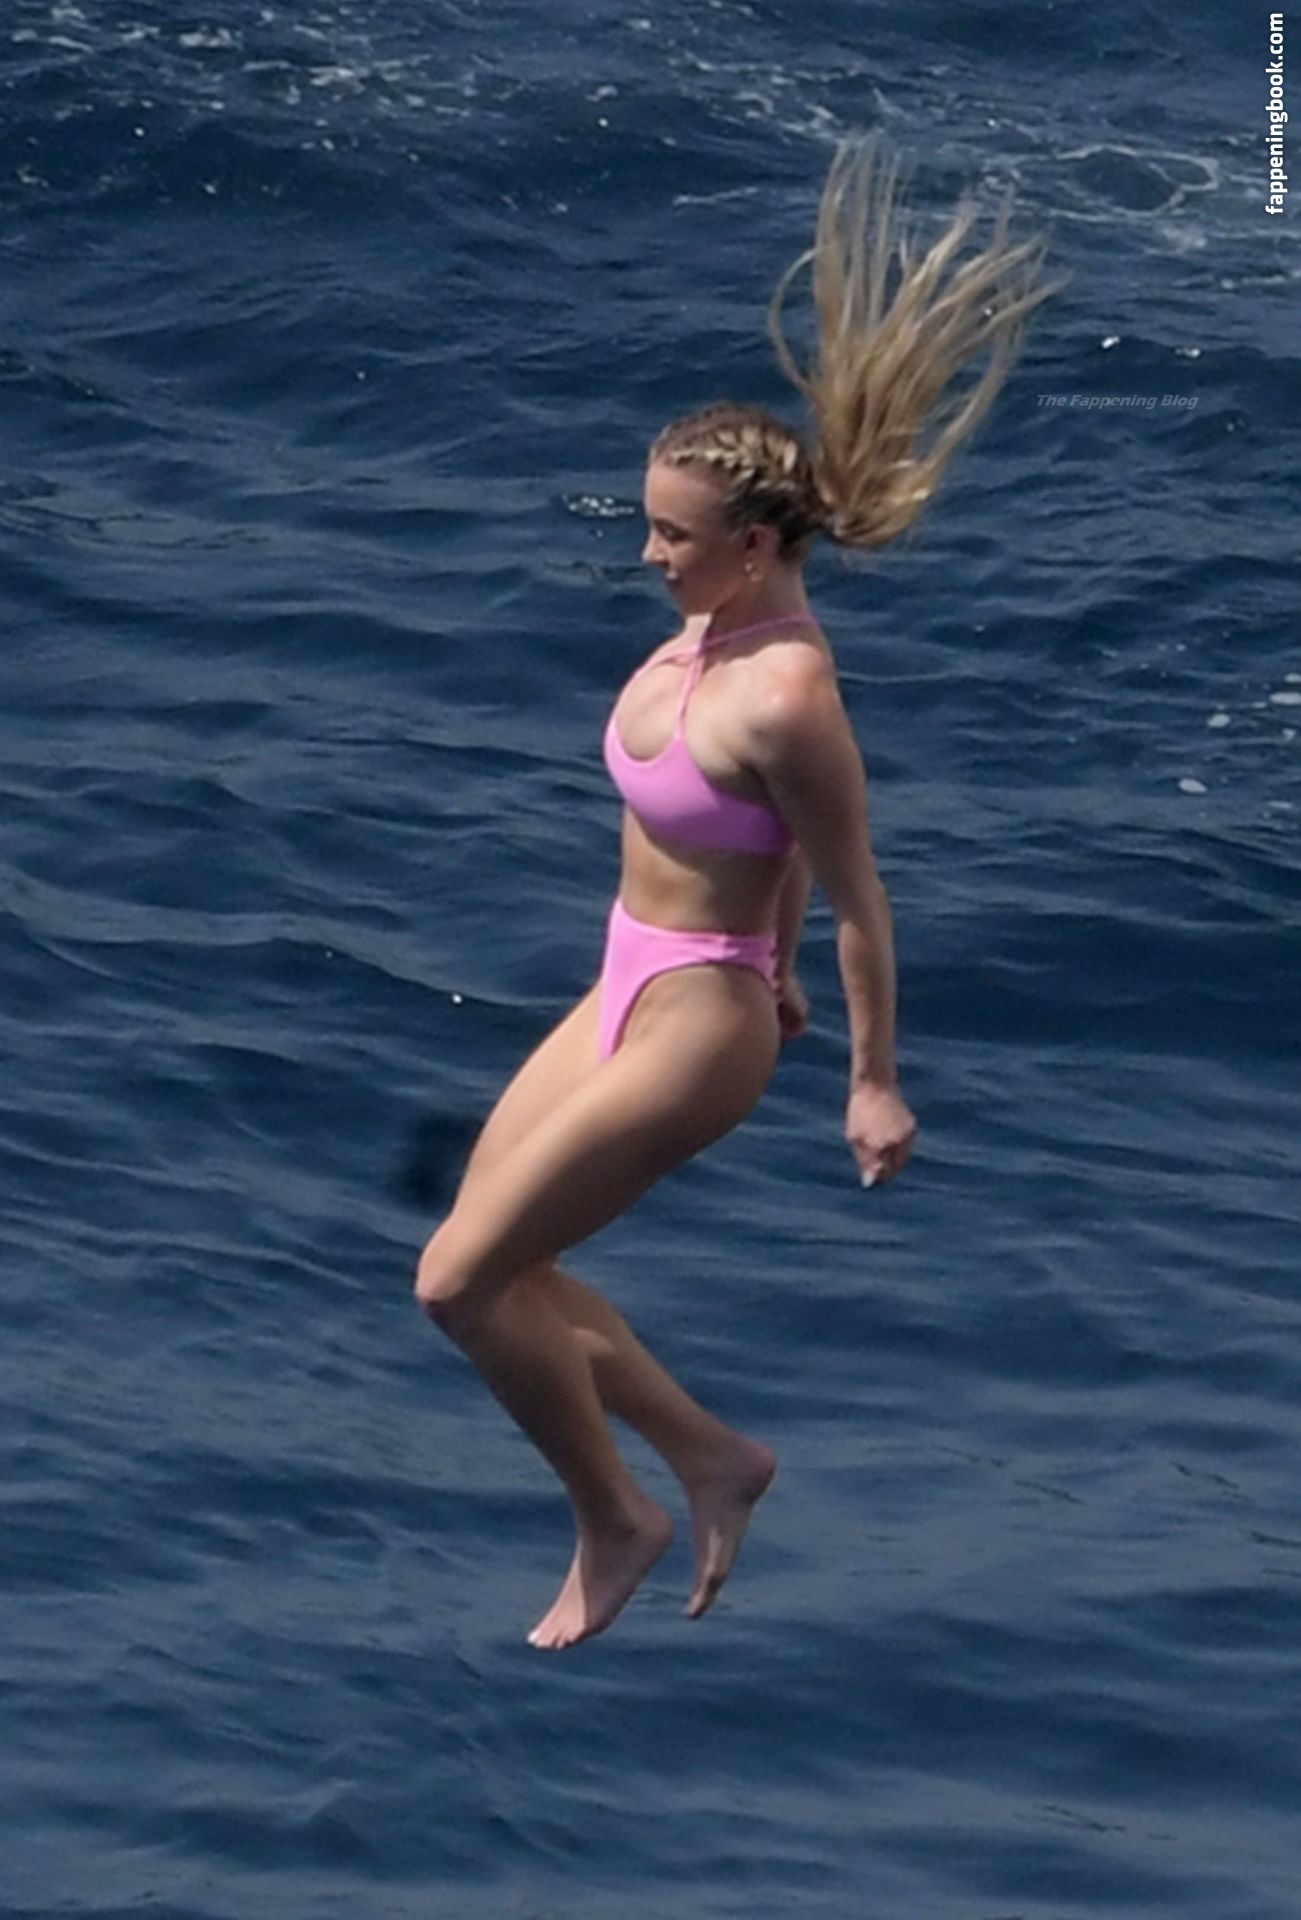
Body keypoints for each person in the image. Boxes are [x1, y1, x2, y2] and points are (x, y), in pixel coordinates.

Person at [415, 132, 1061, 1650]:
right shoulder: (707, 632)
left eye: (673, 535)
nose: (649, 556)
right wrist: (771, 950)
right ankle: (714, 1459)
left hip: (703, 1025)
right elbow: (756, 852)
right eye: (648, 523)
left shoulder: (787, 696)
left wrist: (870, 1082)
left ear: (756, 547)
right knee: (503, 1260)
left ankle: (617, 1516)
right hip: (629, 973)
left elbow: (855, 891)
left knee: (456, 1283)